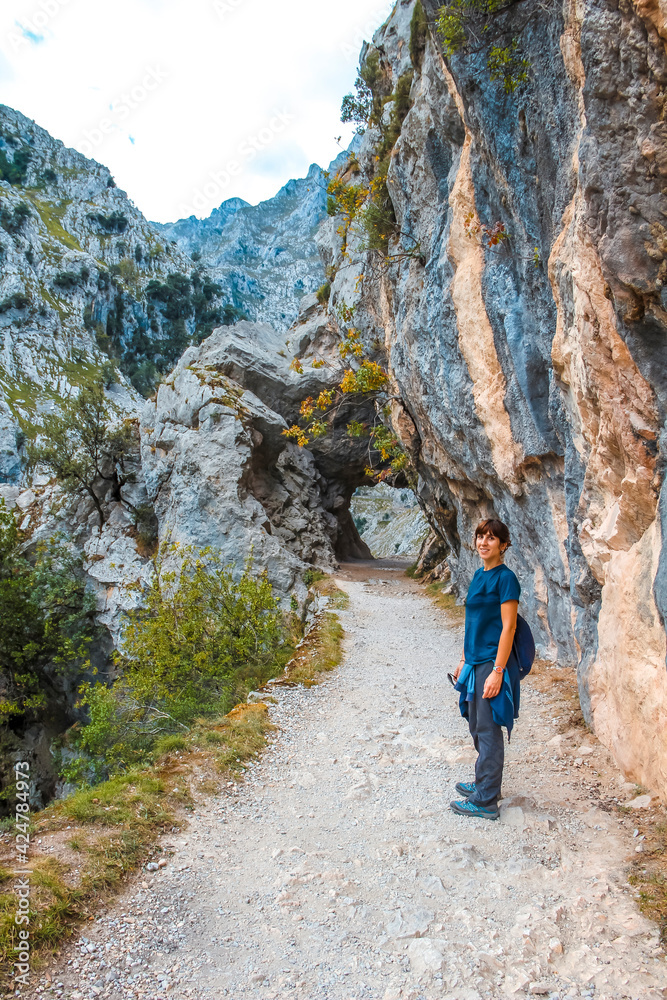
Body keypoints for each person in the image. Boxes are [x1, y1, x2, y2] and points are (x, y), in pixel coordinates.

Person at [449, 518, 520, 821]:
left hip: (492, 662)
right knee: (476, 723)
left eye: (491, 538)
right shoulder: (479, 575)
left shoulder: (506, 579)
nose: (483, 542)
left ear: (503, 545)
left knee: (489, 728)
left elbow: (509, 627)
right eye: (480, 537)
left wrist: (498, 670)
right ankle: (484, 782)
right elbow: (472, 622)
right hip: (475, 660)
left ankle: (487, 800)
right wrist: (465, 658)